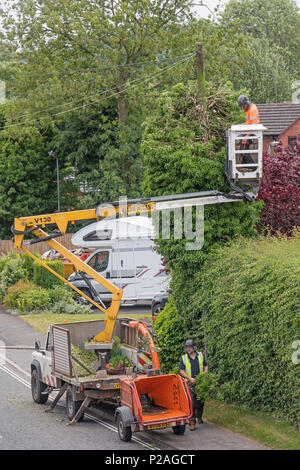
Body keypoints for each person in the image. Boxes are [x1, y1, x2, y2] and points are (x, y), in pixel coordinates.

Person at [179, 339, 208, 431]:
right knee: (191, 402)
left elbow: (205, 366)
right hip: (190, 383)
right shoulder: (184, 358)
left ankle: (199, 416)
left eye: (190, 347)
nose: (188, 349)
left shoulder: (200, 355)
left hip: (200, 383)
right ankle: (192, 422)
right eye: (187, 347)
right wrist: (189, 378)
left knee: (201, 401)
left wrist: (204, 373)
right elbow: (181, 370)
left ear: (194, 347)